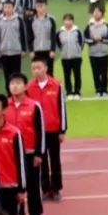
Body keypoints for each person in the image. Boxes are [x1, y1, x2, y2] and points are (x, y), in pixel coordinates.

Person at [4, 75, 46, 215]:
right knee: (15, 188)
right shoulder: (4, 106)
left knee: (33, 187)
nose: (14, 87)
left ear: (25, 86)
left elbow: (40, 130)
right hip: (10, 155)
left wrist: (39, 154)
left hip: (29, 154)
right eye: (12, 83)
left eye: (18, 83)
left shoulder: (34, 106)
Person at [26, 58, 66, 202]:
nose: (36, 71)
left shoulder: (56, 85)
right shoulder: (29, 87)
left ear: (46, 68)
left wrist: (62, 129)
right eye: (34, 68)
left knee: (55, 159)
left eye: (39, 67)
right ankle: (44, 188)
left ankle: (56, 188)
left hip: (53, 129)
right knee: (41, 160)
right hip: (38, 131)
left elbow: (61, 107)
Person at [0, 1, 28, 83]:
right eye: (5, 7)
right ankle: (9, 92)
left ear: (13, 8)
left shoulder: (18, 19)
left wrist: (23, 49)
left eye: (9, 7)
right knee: (6, 74)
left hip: (16, 50)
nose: (7, 9)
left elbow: (23, 35)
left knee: (16, 73)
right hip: (4, 51)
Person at [84, 6, 108, 98]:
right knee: (95, 73)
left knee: (104, 72)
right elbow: (86, 39)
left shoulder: (106, 25)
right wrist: (94, 40)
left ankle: (104, 90)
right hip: (93, 53)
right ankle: (98, 89)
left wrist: (101, 39)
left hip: (104, 52)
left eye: (98, 12)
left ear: (102, 13)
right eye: (95, 12)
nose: (96, 14)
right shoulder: (89, 26)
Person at [56, 13, 84, 100]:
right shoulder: (60, 32)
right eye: (66, 20)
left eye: (69, 20)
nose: (68, 22)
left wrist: (78, 50)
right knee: (67, 75)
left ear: (73, 21)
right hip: (65, 58)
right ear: (63, 21)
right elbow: (58, 43)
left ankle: (77, 92)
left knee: (77, 75)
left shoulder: (77, 31)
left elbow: (82, 43)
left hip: (76, 57)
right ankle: (69, 92)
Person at [29, 1, 59, 76]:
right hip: (36, 50)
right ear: (35, 7)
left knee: (49, 72)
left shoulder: (51, 19)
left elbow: (53, 35)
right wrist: (31, 50)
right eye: (38, 6)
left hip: (48, 49)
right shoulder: (31, 20)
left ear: (45, 6)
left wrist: (52, 50)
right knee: (37, 71)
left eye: (42, 6)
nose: (40, 8)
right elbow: (30, 36)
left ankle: (50, 87)